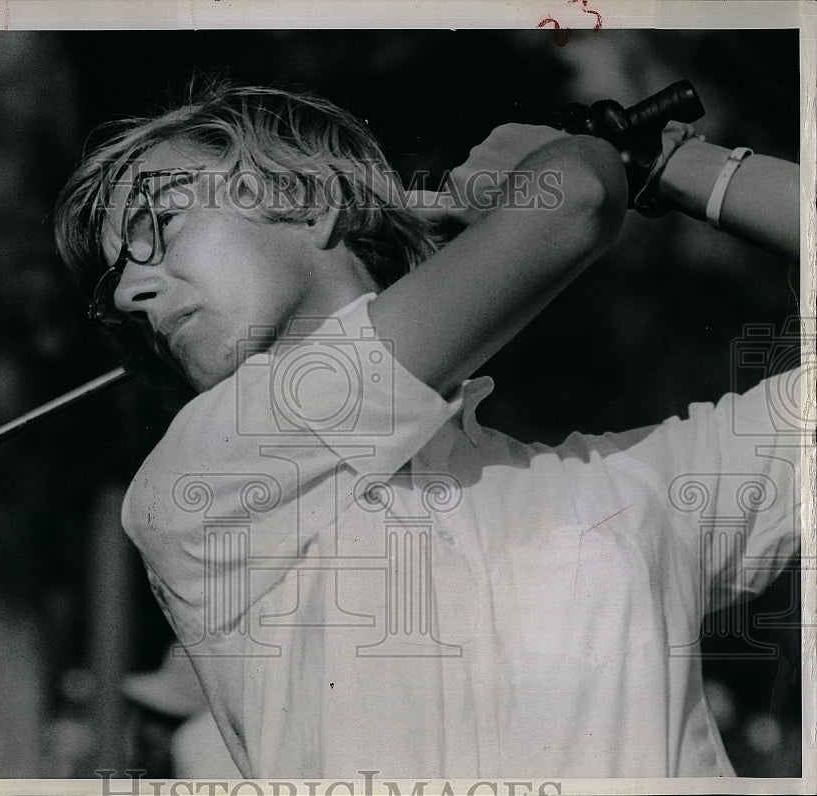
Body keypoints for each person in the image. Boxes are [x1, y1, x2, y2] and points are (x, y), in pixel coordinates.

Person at [55, 83, 803, 778]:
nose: (129, 289)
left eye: (159, 224)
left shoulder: (631, 494)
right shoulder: (196, 477)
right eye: (111, 283)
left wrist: (679, 163)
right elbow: (572, 201)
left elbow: (571, 200)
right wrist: (587, 161)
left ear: (312, 205)